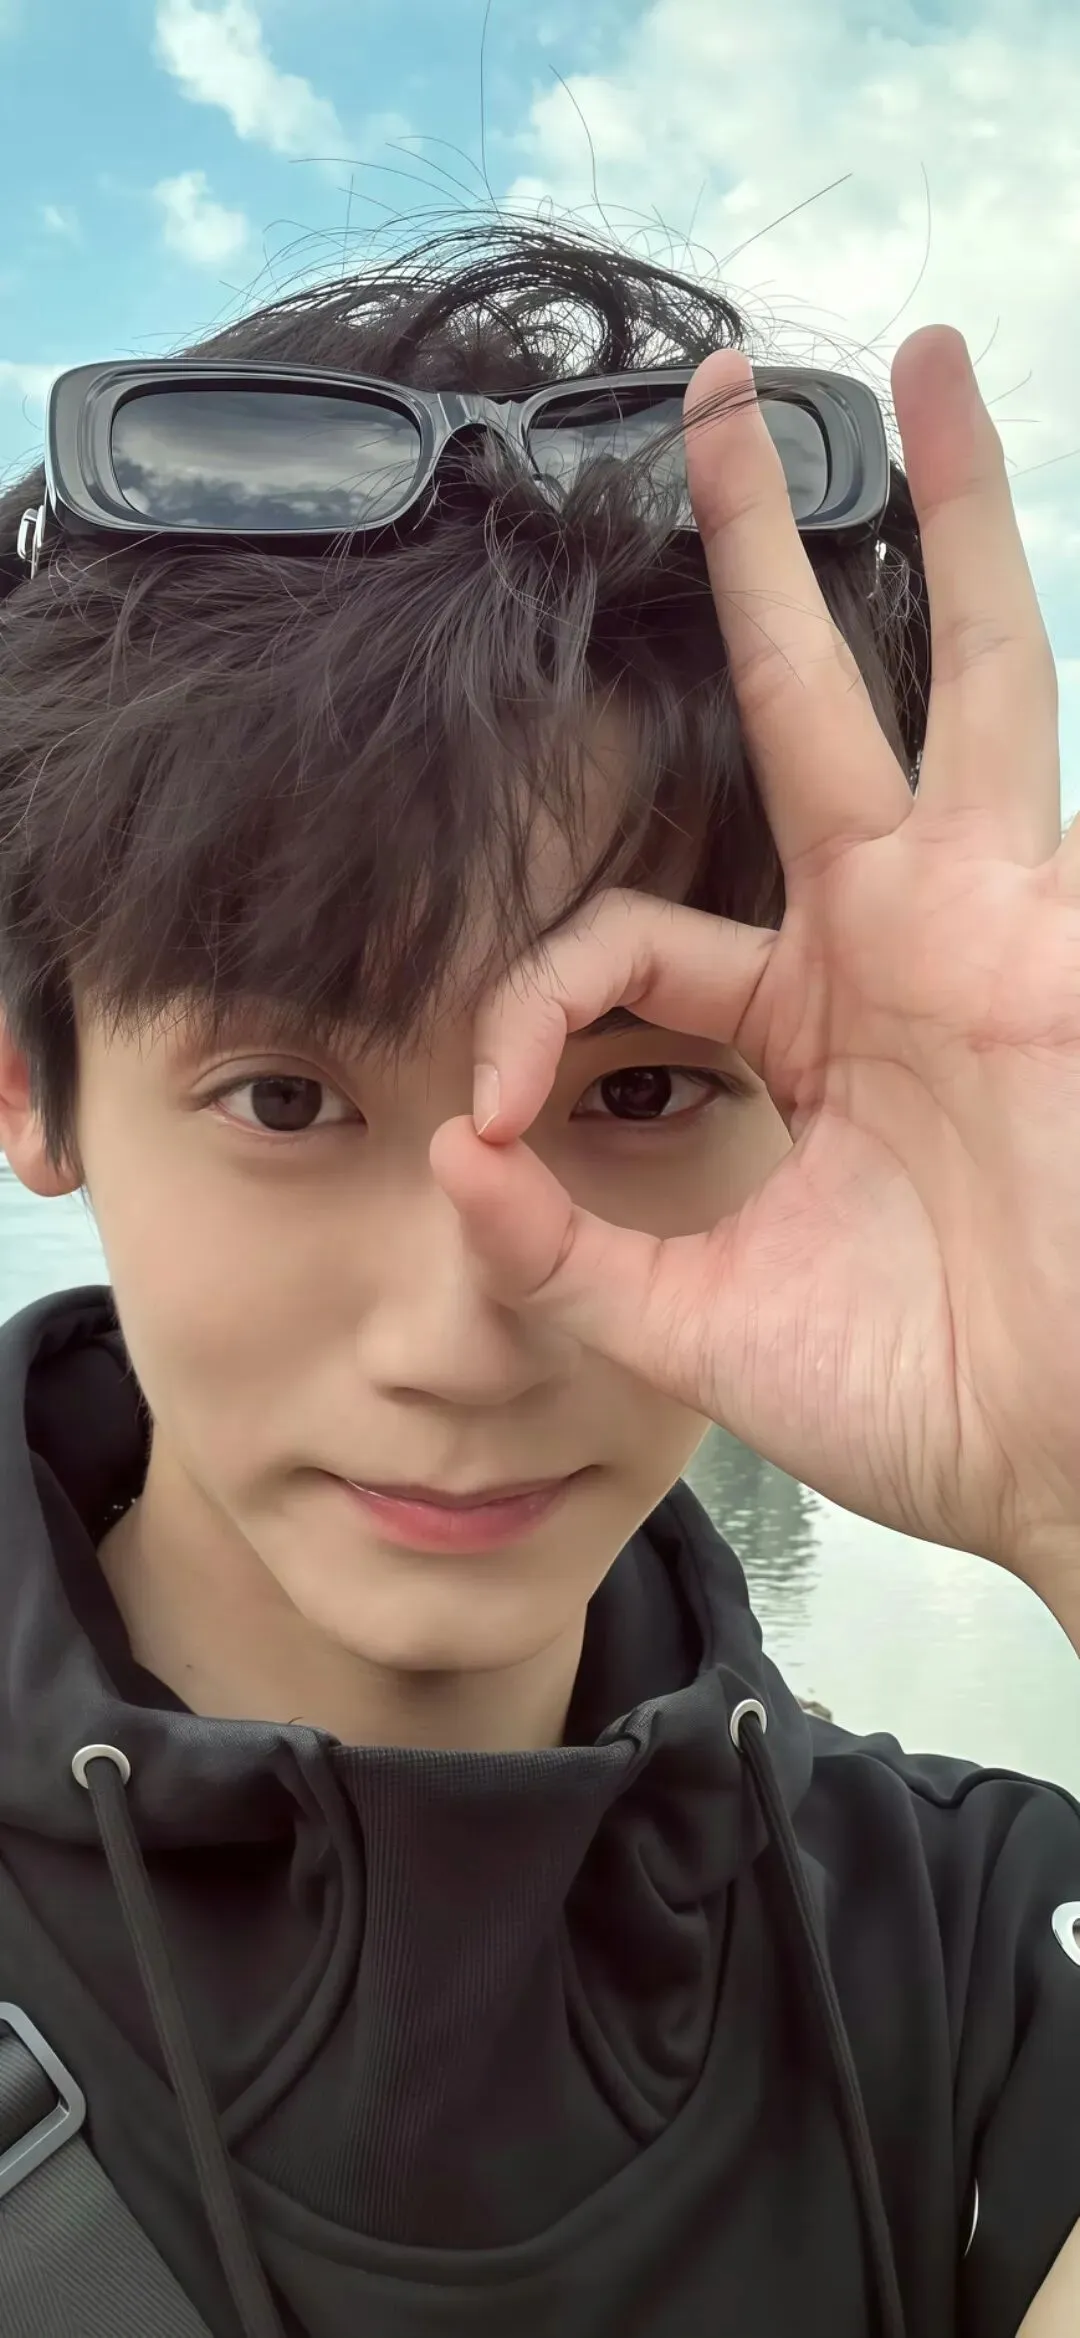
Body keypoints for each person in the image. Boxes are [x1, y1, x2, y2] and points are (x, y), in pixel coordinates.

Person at [0, 215, 1076, 2338]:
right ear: (35, 1084)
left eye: (644, 1089)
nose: (463, 1334)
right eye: (287, 1097)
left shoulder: (968, 1967)